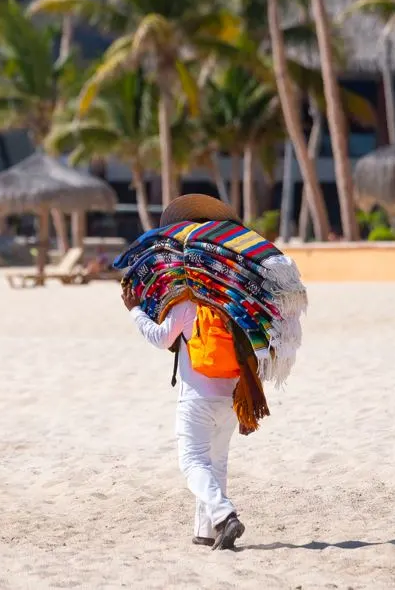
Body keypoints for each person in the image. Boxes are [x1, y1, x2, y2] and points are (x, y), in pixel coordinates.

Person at [121, 194, 247, 551]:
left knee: (192, 461)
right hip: (233, 392)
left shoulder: (189, 298)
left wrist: (135, 311)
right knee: (216, 461)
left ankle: (224, 515)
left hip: (198, 395)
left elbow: (163, 340)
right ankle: (207, 531)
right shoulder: (234, 296)